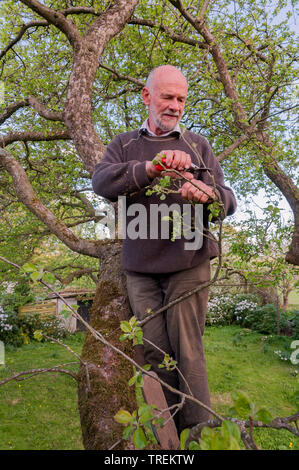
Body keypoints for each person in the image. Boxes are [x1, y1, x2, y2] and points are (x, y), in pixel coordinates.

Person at [92, 65, 237, 433]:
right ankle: (168, 434)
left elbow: (228, 200)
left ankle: (197, 434)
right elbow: (101, 180)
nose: (175, 106)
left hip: (189, 261)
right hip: (140, 269)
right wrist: (150, 168)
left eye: (181, 99)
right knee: (155, 355)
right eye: (167, 97)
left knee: (188, 353)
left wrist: (206, 194)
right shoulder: (125, 144)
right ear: (147, 96)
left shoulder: (196, 145)